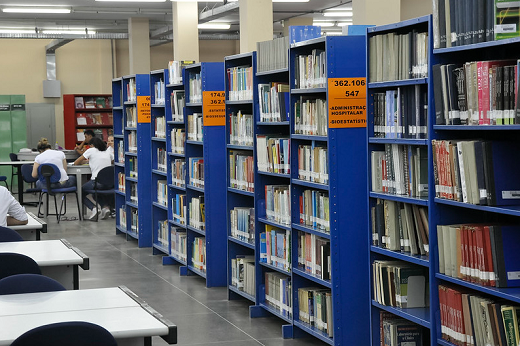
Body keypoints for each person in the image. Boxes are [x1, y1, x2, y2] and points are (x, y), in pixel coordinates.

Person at [74, 137, 114, 220]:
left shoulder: (91, 150)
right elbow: (112, 162)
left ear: (92, 145)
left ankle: (93, 208)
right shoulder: (107, 152)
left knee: (80, 191)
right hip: (110, 183)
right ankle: (105, 208)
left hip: (97, 182)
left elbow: (76, 162)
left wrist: (86, 161)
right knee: (95, 193)